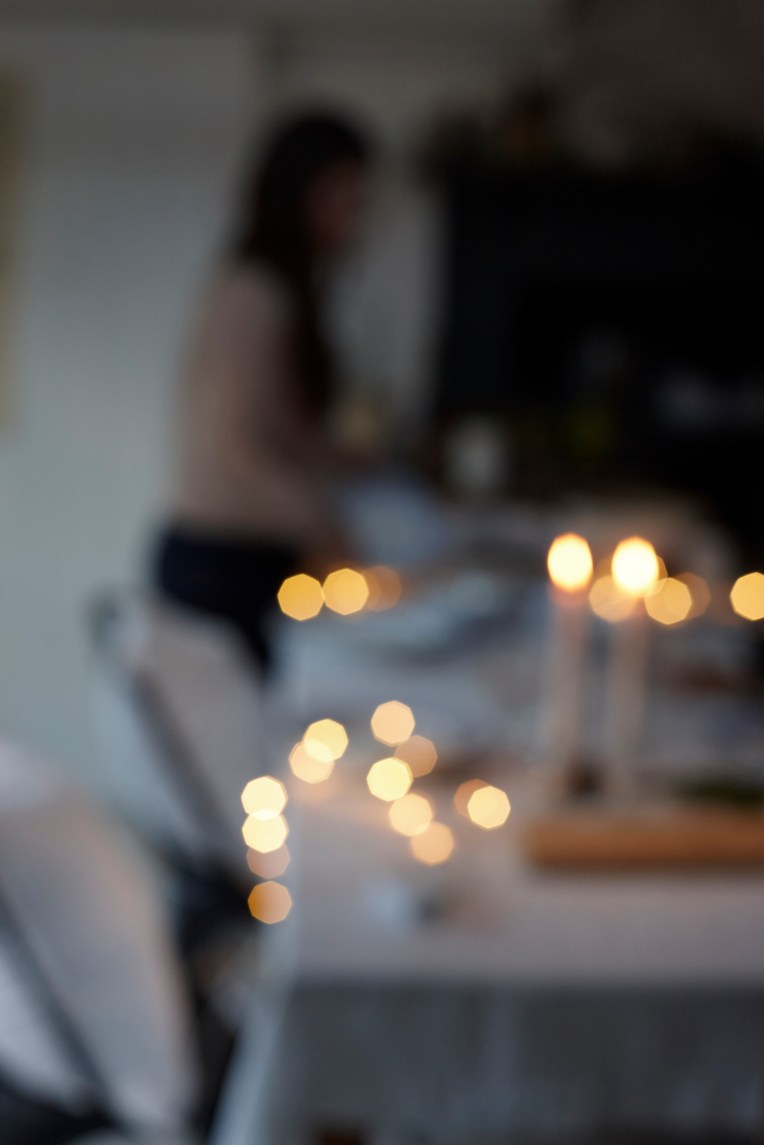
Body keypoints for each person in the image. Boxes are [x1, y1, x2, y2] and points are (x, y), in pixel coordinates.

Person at [152, 112, 373, 671]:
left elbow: (284, 437)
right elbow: (236, 448)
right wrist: (322, 522)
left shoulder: (281, 293)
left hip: (245, 557)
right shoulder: (253, 295)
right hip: (221, 563)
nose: (352, 221)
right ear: (293, 194)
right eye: (339, 198)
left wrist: (362, 466)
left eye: (359, 202)